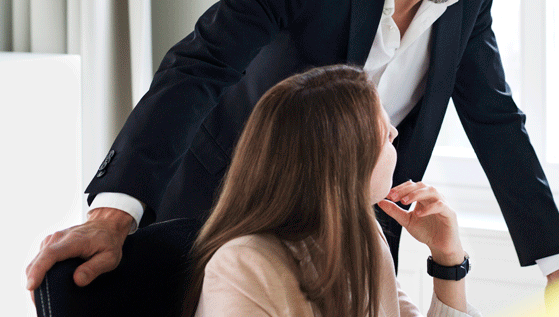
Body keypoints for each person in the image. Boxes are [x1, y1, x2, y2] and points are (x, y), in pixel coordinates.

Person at [26, 0, 559, 296]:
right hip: (225, 214)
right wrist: (114, 212)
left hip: (349, 239)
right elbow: (201, 67)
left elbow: (495, 119)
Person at [184, 65, 479, 316]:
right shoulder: (242, 266)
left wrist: (448, 258)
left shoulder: (365, 236)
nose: (394, 133)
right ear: (344, 163)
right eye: (382, 131)